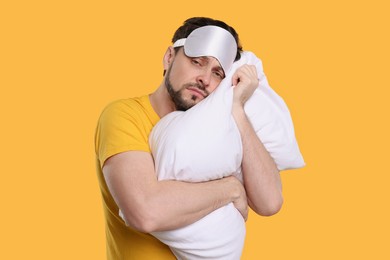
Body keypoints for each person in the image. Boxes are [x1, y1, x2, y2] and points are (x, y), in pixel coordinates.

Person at [95, 17, 283, 260]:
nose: (205, 78)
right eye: (197, 62)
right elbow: (145, 213)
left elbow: (270, 203)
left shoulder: (219, 130)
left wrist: (237, 108)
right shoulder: (123, 115)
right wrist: (231, 189)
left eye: (217, 73)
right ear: (169, 57)